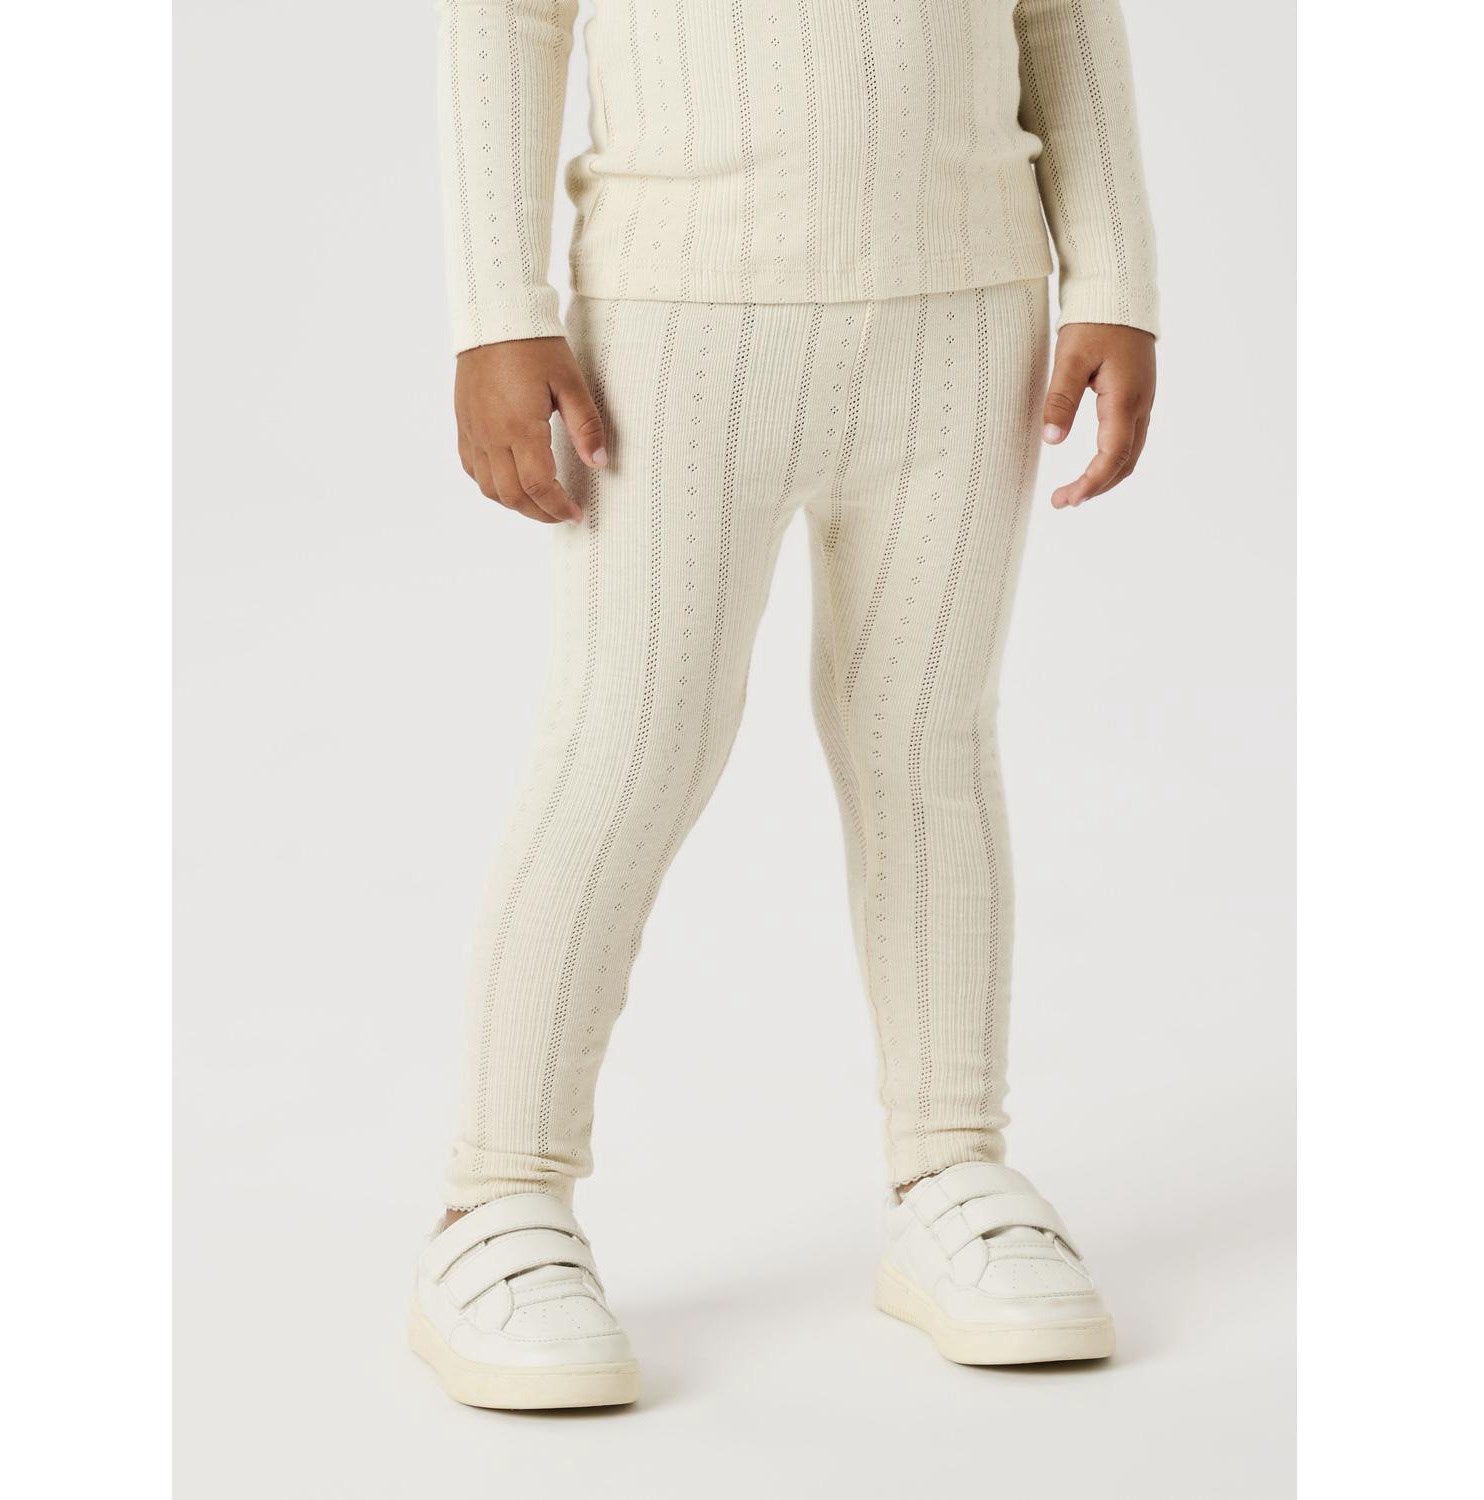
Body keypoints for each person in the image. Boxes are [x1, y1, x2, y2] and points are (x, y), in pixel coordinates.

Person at [410, 0, 1159, 1410]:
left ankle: (951, 1167)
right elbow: (507, 18)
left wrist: (1113, 273)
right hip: (670, 322)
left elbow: (1062, 11)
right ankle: (496, 1196)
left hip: (971, 309)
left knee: (929, 740)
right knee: (633, 741)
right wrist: (496, 312)